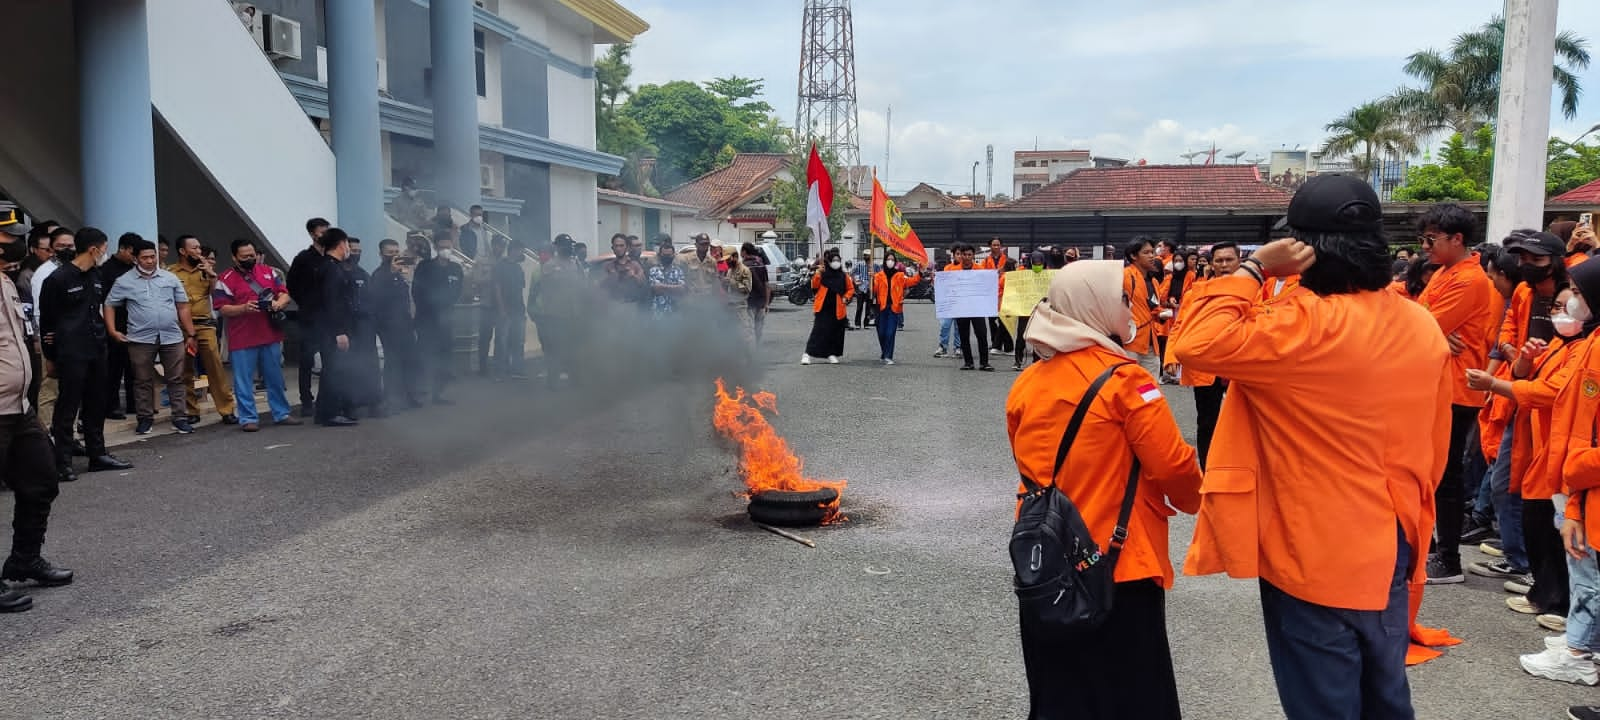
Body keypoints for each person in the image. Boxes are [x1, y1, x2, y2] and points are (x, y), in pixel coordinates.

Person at [1172, 175, 1451, 719]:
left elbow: (1194, 343)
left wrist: (1251, 270)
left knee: (1324, 698)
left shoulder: (1300, 326)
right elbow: (1435, 441)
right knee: (1385, 687)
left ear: (1300, 252)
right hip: (1395, 531)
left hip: (1313, 542)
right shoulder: (1420, 323)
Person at [1008, 259, 1202, 720]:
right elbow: (1173, 466)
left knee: (1060, 691)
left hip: (1048, 559)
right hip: (1118, 560)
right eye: (1120, 296)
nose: (1129, 304)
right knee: (1134, 692)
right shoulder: (1126, 380)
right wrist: (1198, 497)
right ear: (1093, 305)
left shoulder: (1029, 381)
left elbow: (1027, 461)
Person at [1405, 203, 1496, 585]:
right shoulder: (1447, 273)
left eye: (1431, 239)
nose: (1425, 247)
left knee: (1446, 474)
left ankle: (1449, 557)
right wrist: (1433, 331)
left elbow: (1420, 323)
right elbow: (1419, 320)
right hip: (1439, 383)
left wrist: (1431, 330)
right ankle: (1430, 547)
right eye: (1423, 239)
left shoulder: (1468, 279)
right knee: (1430, 471)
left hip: (1456, 387)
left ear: (1457, 239)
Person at [0, 216, 73, 611]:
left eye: (16, 239)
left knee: (41, 480)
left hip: (18, 407)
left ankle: (24, 559)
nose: (13, 245)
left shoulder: (8, 282)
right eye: (5, 238)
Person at [41, 228, 134, 477]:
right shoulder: (58, 279)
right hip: (71, 352)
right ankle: (62, 462)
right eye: (104, 248)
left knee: (96, 404)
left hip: (96, 348)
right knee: (67, 407)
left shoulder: (95, 275)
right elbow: (48, 323)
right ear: (93, 249)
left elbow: (98, 310)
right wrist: (50, 357)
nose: (105, 253)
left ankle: (98, 454)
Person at [105, 238, 196, 437]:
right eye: (145, 257)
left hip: (172, 336)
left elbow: (182, 305)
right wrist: (112, 330)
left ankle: (180, 417)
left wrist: (190, 333)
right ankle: (145, 418)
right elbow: (109, 304)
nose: (150, 261)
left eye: (152, 256)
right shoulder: (124, 281)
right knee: (142, 380)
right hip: (140, 338)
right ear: (135, 258)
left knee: (176, 378)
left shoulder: (169, 278)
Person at [1163, 241, 1240, 469]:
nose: (1224, 264)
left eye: (1229, 259)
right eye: (1219, 260)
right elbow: (1180, 325)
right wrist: (1171, 357)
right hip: (1206, 366)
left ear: (1239, 262)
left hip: (1240, 366)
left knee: (1243, 421)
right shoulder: (1197, 292)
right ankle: (1208, 471)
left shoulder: (1254, 290)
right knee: (1207, 422)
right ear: (1211, 264)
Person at [213, 239, 300, 432]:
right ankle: (248, 418)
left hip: (270, 333)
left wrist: (279, 303)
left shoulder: (269, 271)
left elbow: (284, 293)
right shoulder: (224, 279)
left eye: (252, 255)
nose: (250, 259)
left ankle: (281, 413)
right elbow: (222, 308)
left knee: (275, 377)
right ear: (234, 257)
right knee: (244, 380)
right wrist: (243, 308)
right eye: (244, 257)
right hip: (242, 337)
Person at [169, 235, 237, 427]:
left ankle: (226, 410)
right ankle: (191, 410)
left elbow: (216, 297)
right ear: (182, 251)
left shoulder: (206, 271)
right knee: (185, 369)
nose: (199, 252)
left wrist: (212, 275)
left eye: (199, 248)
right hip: (181, 326)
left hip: (205, 324)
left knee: (215, 366)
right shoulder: (171, 272)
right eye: (195, 248)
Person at [310, 228, 359, 427]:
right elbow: (333, 301)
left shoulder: (328, 266)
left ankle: (324, 411)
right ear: (341, 244)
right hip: (331, 328)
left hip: (327, 326)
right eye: (347, 244)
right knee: (333, 370)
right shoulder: (331, 268)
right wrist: (340, 331)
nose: (348, 248)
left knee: (333, 369)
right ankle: (330, 413)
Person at [369, 238, 423, 410]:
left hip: (404, 322)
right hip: (388, 325)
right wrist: (391, 273)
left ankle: (409, 394)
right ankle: (391, 398)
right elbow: (377, 297)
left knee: (410, 360)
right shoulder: (379, 274)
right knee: (393, 361)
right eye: (389, 253)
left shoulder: (401, 273)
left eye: (396, 252)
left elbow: (406, 297)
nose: (394, 256)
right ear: (381, 254)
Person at [412, 229, 464, 405]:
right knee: (425, 356)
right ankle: (420, 393)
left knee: (444, 357)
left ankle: (438, 393)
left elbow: (457, 292)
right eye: (442, 247)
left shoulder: (456, 269)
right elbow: (417, 293)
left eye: (448, 247)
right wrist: (432, 308)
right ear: (435, 247)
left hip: (446, 321)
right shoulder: (425, 267)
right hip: (427, 321)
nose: (445, 250)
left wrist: (444, 307)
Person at [529, 237, 586, 389]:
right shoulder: (549, 266)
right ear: (557, 247)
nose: (568, 248)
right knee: (554, 351)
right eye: (564, 245)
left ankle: (575, 382)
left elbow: (583, 286)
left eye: (569, 245)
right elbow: (539, 290)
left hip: (574, 315)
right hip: (555, 316)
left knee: (574, 350)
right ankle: (552, 384)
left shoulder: (576, 264)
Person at [287, 217, 329, 417]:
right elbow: (291, 284)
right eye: (322, 232)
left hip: (329, 317)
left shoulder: (331, 258)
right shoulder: (303, 258)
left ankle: (325, 398)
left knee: (330, 360)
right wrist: (306, 302)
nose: (326, 235)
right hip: (309, 317)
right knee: (306, 360)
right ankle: (306, 400)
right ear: (313, 234)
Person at [99, 234, 138, 421]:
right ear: (123, 249)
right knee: (114, 368)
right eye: (133, 253)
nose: (135, 257)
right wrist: (110, 328)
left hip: (135, 323)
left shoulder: (135, 269)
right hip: (114, 323)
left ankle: (134, 403)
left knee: (134, 367)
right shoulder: (106, 270)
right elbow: (106, 302)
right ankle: (111, 406)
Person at [802, 248, 853, 366]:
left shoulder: (843, 275)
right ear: (829, 261)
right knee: (819, 331)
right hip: (823, 307)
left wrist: (846, 297)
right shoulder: (823, 273)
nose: (836, 262)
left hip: (838, 307)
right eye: (834, 260)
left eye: (838, 260)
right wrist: (818, 273)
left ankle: (831, 353)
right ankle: (807, 354)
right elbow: (814, 285)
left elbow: (850, 289)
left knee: (835, 332)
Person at [1121, 237, 1162, 376]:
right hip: (1130, 340)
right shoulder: (1124, 276)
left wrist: (1161, 314)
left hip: (1151, 342)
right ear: (1133, 255)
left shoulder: (1154, 281)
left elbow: (1153, 308)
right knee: (1128, 383)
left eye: (1152, 252)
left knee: (1150, 386)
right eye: (1146, 253)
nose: (1152, 256)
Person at [949, 243, 993, 371]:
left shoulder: (980, 270)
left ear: (973, 256)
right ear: (960, 255)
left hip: (977, 307)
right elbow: (948, 288)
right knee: (964, 335)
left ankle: (984, 363)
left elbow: (987, 287)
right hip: (961, 307)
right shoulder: (952, 271)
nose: (967, 257)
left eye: (969, 254)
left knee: (981, 334)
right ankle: (968, 362)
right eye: (964, 254)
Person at [492, 238, 529, 380]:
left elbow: (520, 289)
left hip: (518, 310)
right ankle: (499, 371)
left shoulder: (518, 268)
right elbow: (497, 288)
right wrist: (502, 309)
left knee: (518, 341)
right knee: (501, 341)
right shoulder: (500, 266)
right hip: (505, 309)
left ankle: (517, 370)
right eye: (521, 250)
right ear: (514, 250)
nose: (522, 253)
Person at [871, 253, 918, 365]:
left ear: (895, 262)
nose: (890, 261)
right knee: (881, 333)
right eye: (888, 259)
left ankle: (888, 355)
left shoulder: (900, 275)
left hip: (894, 308)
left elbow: (912, 281)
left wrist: (920, 273)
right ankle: (884, 352)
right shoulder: (878, 276)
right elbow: (874, 290)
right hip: (881, 308)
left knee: (890, 332)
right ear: (884, 261)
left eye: (892, 259)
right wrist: (871, 280)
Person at [469, 232, 504, 377]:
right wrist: (491, 280)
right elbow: (475, 280)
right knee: (485, 338)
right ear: (493, 245)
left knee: (501, 338)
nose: (499, 248)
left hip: (501, 305)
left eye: (502, 245)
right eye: (497, 245)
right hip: (487, 304)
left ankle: (499, 366)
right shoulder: (482, 261)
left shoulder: (505, 262)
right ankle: (482, 367)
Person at [1011, 251, 1048, 371]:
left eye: (1040, 263)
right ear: (1030, 262)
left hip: (1040, 310)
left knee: (1038, 336)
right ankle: (1018, 360)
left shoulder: (1048, 274)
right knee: (1022, 335)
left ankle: (1037, 360)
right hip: (1025, 309)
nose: (1038, 265)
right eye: (1035, 263)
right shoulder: (1021, 273)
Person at [984, 238, 1016, 354]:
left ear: (1001, 246)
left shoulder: (1007, 259)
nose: (996, 247)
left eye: (998, 245)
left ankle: (999, 345)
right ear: (990, 246)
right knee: (992, 320)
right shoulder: (986, 260)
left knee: (1003, 320)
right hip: (991, 293)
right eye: (994, 245)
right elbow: (982, 274)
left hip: (1004, 294)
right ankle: (995, 343)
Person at [600, 232, 648, 306]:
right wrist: (611, 278)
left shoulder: (635, 265)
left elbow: (644, 286)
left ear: (627, 247)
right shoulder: (607, 266)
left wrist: (633, 276)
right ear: (612, 248)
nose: (619, 249)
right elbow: (598, 289)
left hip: (631, 306)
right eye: (616, 246)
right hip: (612, 307)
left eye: (621, 246)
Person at [647, 234, 686, 315]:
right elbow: (655, 288)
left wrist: (662, 287)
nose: (667, 257)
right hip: (658, 311)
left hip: (675, 311)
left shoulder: (679, 265)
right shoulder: (653, 266)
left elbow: (682, 289)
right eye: (664, 255)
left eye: (658, 244)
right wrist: (674, 288)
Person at [741, 243, 772, 342]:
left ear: (745, 251)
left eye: (741, 251)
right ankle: (757, 347)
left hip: (748, 301)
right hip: (761, 301)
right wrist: (767, 303)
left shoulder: (743, 266)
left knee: (749, 329)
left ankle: (752, 351)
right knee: (758, 328)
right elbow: (767, 285)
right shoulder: (761, 265)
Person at [853, 250, 876, 330]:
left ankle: (866, 323)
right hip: (861, 287)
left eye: (868, 255)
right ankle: (857, 323)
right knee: (859, 307)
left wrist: (874, 275)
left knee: (868, 307)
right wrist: (857, 281)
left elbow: (880, 275)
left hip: (870, 288)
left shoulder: (875, 265)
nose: (866, 257)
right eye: (865, 255)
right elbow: (853, 273)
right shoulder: (859, 264)